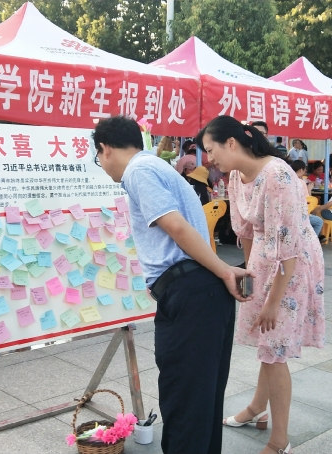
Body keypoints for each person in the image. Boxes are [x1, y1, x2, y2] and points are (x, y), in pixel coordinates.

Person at [92, 115, 251, 454]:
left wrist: (225, 270)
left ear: (105, 149)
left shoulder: (138, 171)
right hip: (203, 292)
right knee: (203, 402)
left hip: (190, 294)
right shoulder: (157, 167)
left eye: (98, 157)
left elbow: (175, 227)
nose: (101, 165)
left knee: (185, 404)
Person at [197, 116, 325, 454]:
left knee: (274, 349)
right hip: (265, 261)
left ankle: (280, 441)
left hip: (293, 265)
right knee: (268, 346)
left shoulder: (277, 174)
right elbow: (246, 233)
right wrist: (250, 276)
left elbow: (290, 246)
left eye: (211, 150)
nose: (210, 159)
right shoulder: (236, 176)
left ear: (231, 143)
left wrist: (273, 301)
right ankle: (257, 408)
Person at [291, 160, 324, 236]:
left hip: (289, 213)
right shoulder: (301, 182)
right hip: (299, 214)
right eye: (304, 171)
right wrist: (309, 190)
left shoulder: (287, 181)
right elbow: (309, 202)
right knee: (319, 222)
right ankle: (311, 240)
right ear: (301, 170)